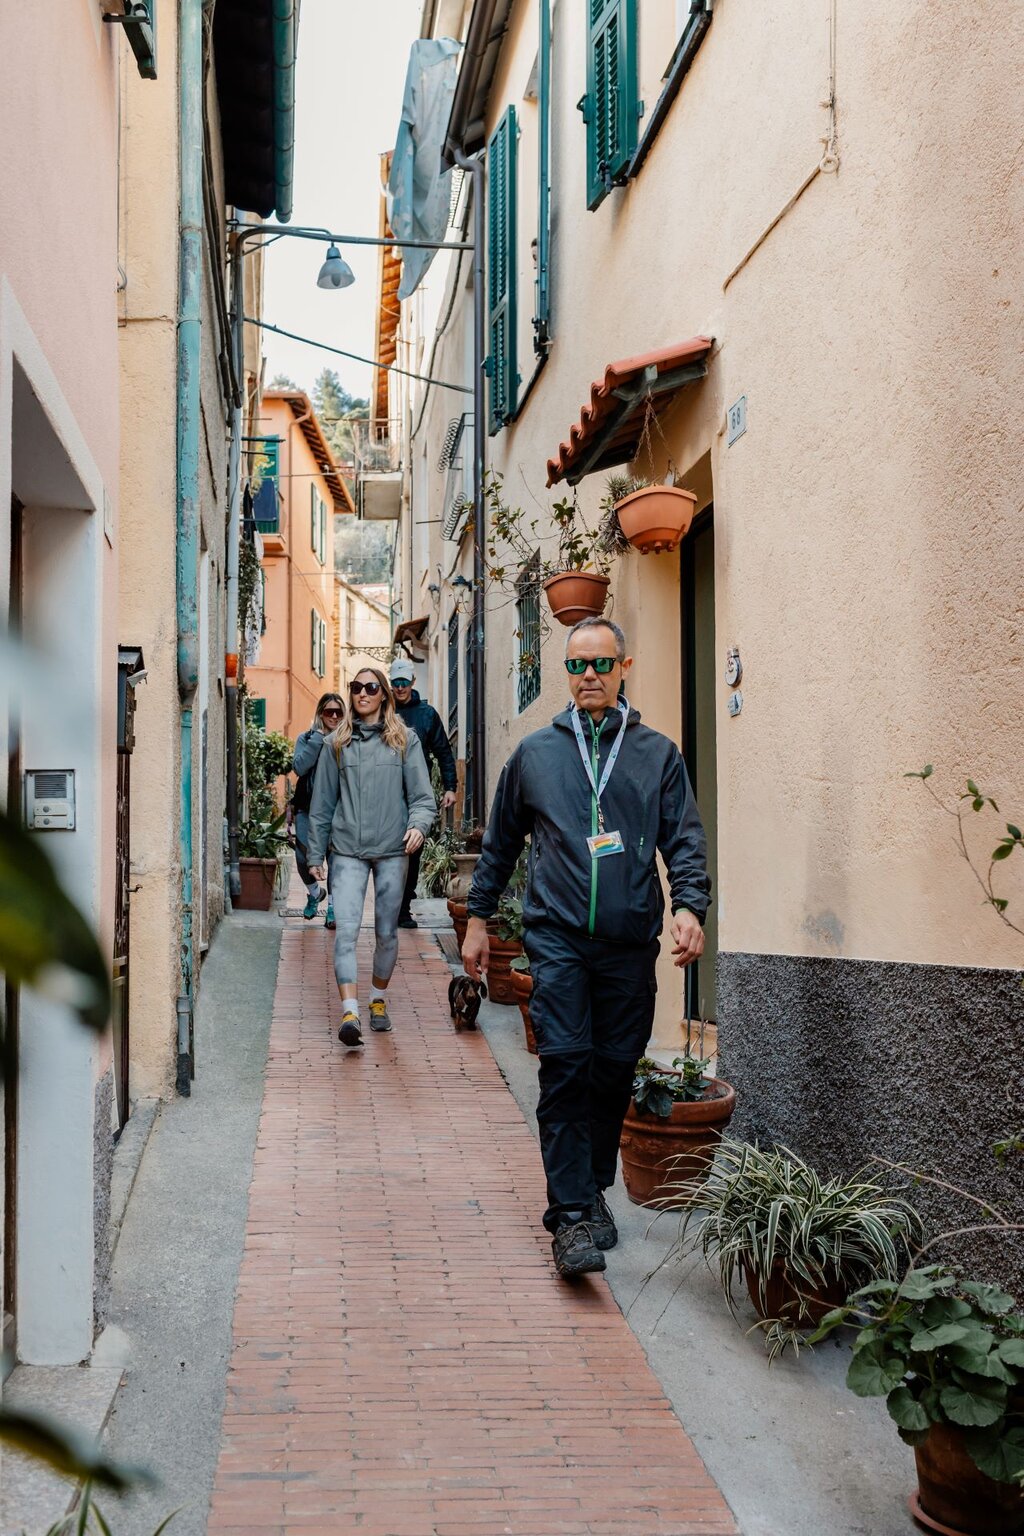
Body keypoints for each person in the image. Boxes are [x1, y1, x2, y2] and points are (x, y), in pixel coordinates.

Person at [462, 617, 710, 1280]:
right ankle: (570, 1217)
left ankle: (595, 1182)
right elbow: (501, 843)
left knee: (613, 1068)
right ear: (565, 675)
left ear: (624, 667)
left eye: (601, 663)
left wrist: (689, 906)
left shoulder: (656, 754)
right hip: (557, 937)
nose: (589, 676)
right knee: (566, 1064)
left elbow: (683, 839)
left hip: (629, 942)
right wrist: (479, 919)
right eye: (577, 666)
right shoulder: (535, 756)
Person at [307, 667, 436, 1049]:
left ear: (384, 695)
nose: (362, 693)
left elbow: (423, 798)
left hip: (394, 849)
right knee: (345, 931)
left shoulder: (405, 741)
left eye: (371, 688)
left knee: (386, 932)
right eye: (356, 687)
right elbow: (322, 804)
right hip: (346, 849)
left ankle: (377, 1000)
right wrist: (316, 852)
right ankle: (350, 1012)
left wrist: (419, 826)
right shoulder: (336, 743)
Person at [389, 656, 458, 928]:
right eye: (396, 683)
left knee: (412, 850)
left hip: (417, 791)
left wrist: (450, 787)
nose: (400, 687)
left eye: (405, 682)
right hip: (388, 791)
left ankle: (403, 909)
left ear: (413, 682)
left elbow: (444, 752)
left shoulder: (427, 714)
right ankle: (389, 906)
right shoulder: (383, 711)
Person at [291, 693, 345, 927]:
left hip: (337, 810)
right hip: (306, 807)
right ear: (320, 713)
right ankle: (314, 893)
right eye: (328, 712)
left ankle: (333, 907)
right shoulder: (307, 738)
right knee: (303, 856)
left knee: (335, 860)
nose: (333, 716)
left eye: (338, 712)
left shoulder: (348, 740)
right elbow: (300, 767)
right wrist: (318, 739)